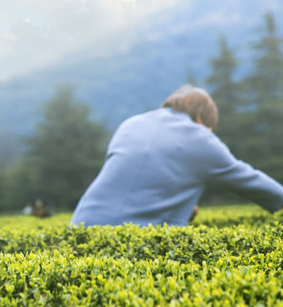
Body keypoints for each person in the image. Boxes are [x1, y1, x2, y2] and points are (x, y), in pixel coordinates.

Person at [71, 85, 283, 227]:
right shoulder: (199, 137)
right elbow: (252, 182)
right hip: (128, 242)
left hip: (79, 227)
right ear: (200, 120)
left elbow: (134, 179)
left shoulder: (131, 124)